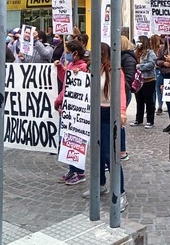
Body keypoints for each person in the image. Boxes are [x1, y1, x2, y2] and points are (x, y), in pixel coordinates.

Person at [82, 43, 129, 213]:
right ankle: (100, 184)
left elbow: (121, 93)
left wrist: (122, 112)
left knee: (110, 155)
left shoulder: (115, 71)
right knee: (97, 153)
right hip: (94, 114)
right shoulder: (91, 70)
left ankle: (120, 192)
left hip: (110, 115)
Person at [54, 39, 89, 185]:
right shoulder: (71, 65)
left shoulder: (83, 67)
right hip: (67, 107)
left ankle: (79, 172)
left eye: (68, 52)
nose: (66, 55)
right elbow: (65, 82)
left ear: (75, 53)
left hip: (76, 110)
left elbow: (78, 87)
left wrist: (78, 74)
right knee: (66, 140)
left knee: (75, 140)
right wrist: (61, 68)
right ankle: (72, 169)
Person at [130, 35, 157, 128]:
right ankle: (138, 119)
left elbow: (151, 64)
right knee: (139, 100)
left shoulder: (150, 53)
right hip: (138, 80)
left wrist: (139, 66)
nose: (138, 43)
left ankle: (150, 120)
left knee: (149, 101)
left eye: (139, 41)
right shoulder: (135, 52)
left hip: (148, 80)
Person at [120, 35, 137, 160]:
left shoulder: (128, 58)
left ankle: (122, 150)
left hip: (124, 92)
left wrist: (118, 82)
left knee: (119, 121)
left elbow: (129, 78)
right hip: (116, 91)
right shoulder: (120, 56)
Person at [150, 34, 164, 114]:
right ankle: (154, 106)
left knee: (158, 89)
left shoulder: (160, 49)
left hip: (159, 70)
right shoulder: (151, 50)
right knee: (154, 90)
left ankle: (160, 106)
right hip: (154, 70)